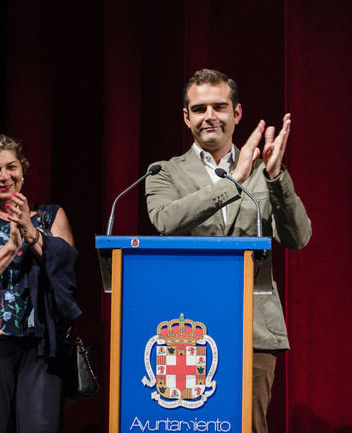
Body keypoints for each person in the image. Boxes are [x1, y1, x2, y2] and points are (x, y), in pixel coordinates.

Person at [145, 69, 312, 433]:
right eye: (200, 108)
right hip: (187, 328)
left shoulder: (264, 172)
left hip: (254, 327)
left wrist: (276, 176)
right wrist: (234, 179)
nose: (210, 116)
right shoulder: (164, 172)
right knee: (190, 425)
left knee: (248, 426)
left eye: (219, 107)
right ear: (186, 117)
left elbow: (298, 238)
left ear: (236, 114)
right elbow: (166, 219)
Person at [0, 134, 81, 433]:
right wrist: (9, 248)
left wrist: (31, 232)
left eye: (11, 167)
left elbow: (66, 270)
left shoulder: (51, 215)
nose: (4, 176)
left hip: (42, 347)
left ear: (23, 171)